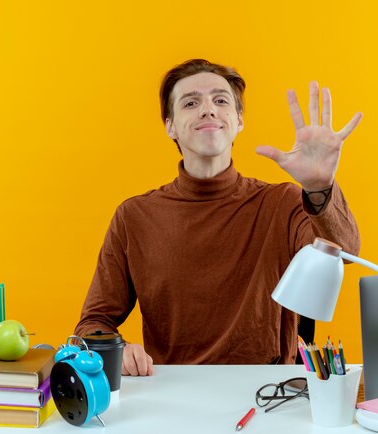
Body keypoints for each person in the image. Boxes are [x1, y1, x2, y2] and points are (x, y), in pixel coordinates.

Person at [74, 59, 361, 376]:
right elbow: (93, 323)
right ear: (170, 124)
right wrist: (117, 348)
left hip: (266, 394)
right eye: (190, 102)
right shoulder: (134, 216)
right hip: (170, 392)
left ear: (238, 121)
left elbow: (345, 251)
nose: (208, 110)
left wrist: (320, 187)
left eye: (220, 100)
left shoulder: (283, 202)